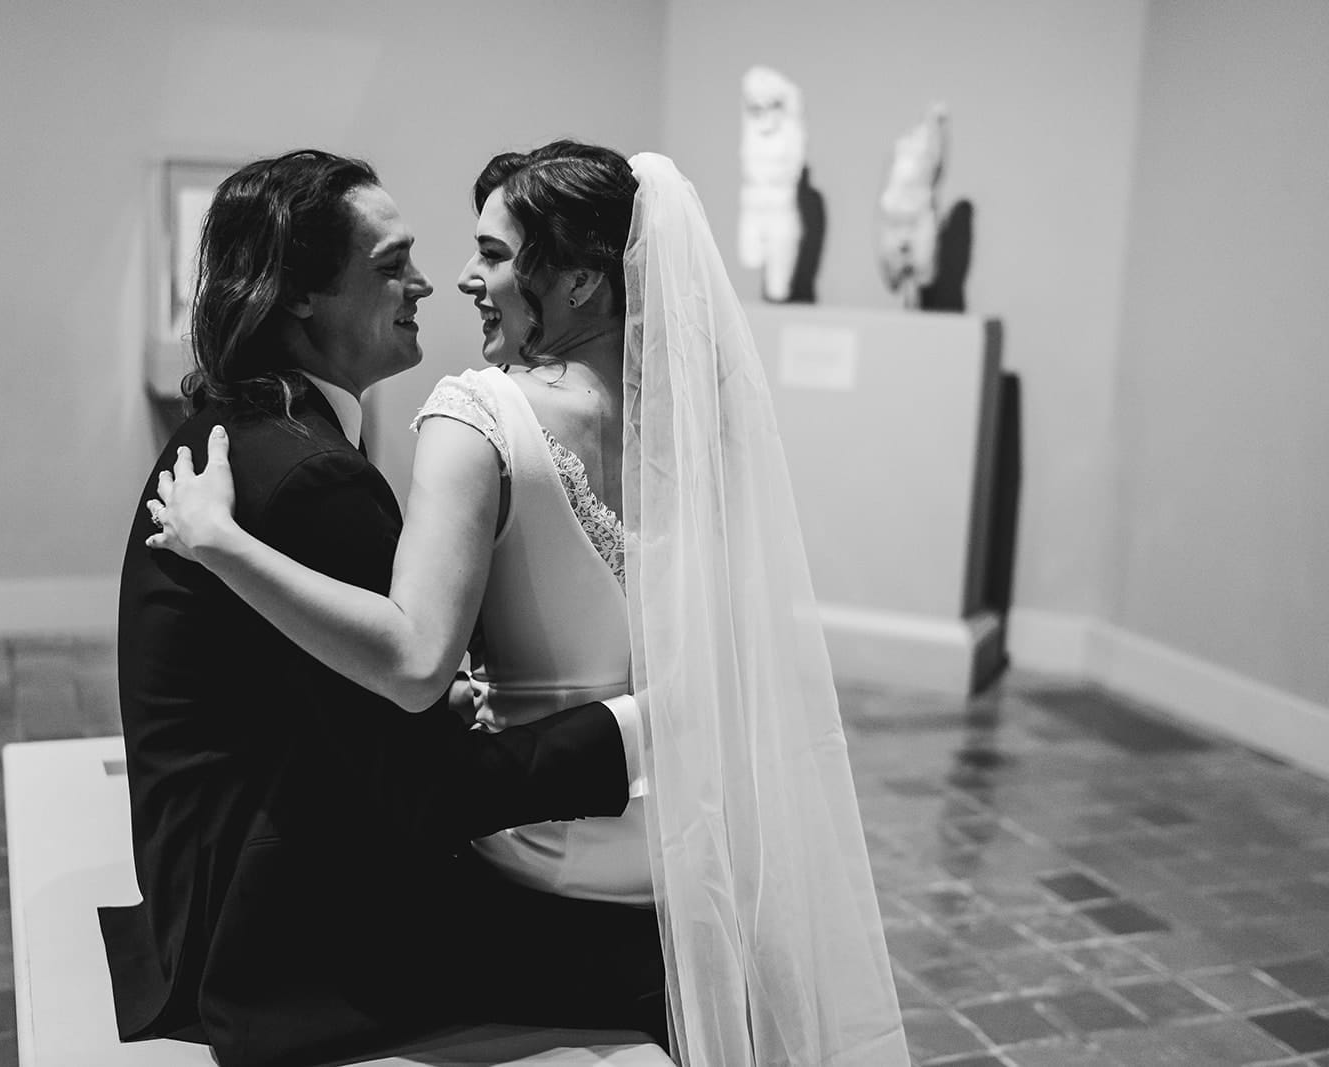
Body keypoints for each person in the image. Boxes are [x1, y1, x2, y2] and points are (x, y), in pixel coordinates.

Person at [151, 142, 910, 1065]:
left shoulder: (473, 417)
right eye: (409, 263)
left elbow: (414, 660)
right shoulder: (704, 423)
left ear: (586, 280)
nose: (460, 280)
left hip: (545, 861)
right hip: (697, 855)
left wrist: (221, 543)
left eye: (496, 255)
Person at [101, 149, 665, 1067]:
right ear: (301, 296)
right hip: (276, 936)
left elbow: (313, 699)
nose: (427, 282)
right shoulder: (313, 477)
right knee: (658, 958)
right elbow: (418, 791)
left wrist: (440, 705)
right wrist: (625, 732)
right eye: (390, 264)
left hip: (212, 879)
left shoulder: (253, 430)